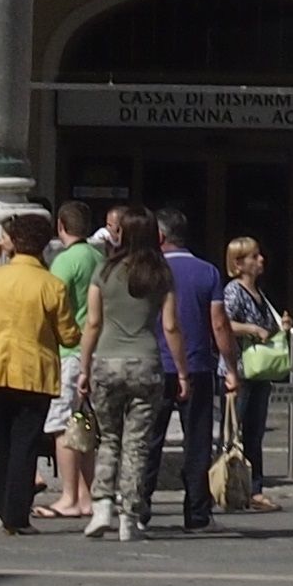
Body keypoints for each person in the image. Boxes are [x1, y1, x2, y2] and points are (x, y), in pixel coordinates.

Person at [0, 211, 69, 534]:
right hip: (34, 372)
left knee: (4, 441)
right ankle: (16, 514)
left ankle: (1, 504)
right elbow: (69, 334)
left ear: (14, 244)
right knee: (26, 443)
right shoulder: (52, 285)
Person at [82, 205, 172, 544]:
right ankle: (129, 516)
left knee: (108, 438)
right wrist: (182, 369)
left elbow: (92, 322)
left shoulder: (104, 270)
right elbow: (171, 325)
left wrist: (85, 366)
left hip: (106, 359)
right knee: (137, 444)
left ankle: (102, 504)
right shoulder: (160, 273)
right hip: (145, 361)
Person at [145, 210, 231, 533]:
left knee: (149, 440)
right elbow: (219, 323)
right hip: (196, 366)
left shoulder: (149, 271)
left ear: (161, 238)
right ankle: (197, 513)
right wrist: (230, 366)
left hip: (155, 364)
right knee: (197, 442)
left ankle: (140, 508)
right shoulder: (207, 272)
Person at [213, 236, 288, 502]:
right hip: (239, 369)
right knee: (234, 430)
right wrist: (252, 329)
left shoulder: (260, 293)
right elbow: (223, 322)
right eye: (254, 257)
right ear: (239, 263)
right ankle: (229, 484)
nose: (260, 260)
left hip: (259, 372)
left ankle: (255, 488)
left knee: (255, 432)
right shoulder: (234, 291)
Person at [44, 201, 104, 521]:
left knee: (63, 426)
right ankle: (86, 494)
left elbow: (53, 303)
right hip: (96, 352)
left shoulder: (66, 261)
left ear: (61, 227)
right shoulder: (101, 257)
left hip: (69, 352)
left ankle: (68, 495)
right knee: (84, 427)